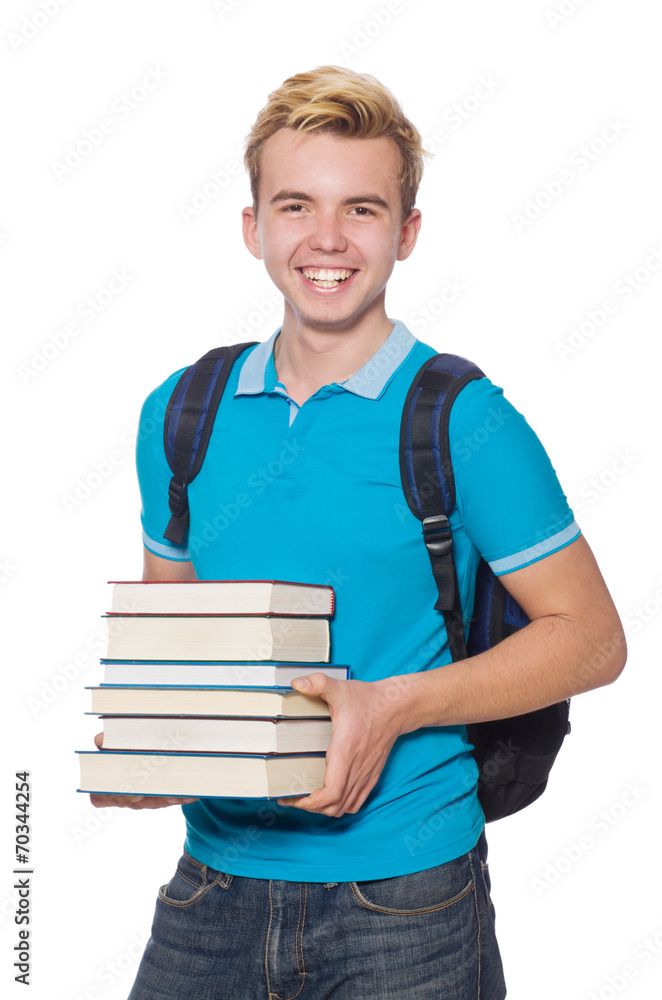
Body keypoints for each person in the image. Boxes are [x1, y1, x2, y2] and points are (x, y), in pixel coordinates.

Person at [91, 65, 626, 999]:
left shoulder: (462, 417)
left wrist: (392, 707)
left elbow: (593, 639)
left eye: (363, 209)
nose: (327, 240)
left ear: (406, 233)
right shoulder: (182, 411)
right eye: (296, 206)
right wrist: (154, 750)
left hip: (406, 899)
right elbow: (177, 646)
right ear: (253, 228)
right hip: (210, 890)